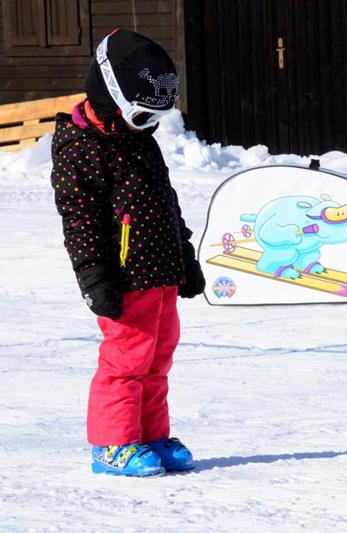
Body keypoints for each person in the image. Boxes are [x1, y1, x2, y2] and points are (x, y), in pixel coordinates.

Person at [50, 29, 205, 476]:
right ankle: (112, 444)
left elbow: (164, 200)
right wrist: (95, 280)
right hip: (124, 278)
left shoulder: (138, 140)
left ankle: (151, 434)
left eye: (156, 119)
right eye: (142, 118)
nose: (149, 129)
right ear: (108, 95)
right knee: (125, 362)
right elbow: (79, 224)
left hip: (161, 271)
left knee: (158, 359)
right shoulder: (79, 148)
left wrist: (185, 255)